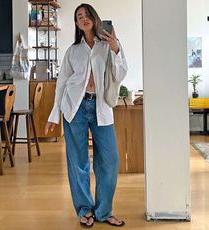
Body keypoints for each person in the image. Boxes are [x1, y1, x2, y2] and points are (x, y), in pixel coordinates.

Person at [45, 3, 127, 228]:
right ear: (77, 23)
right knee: (78, 161)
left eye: (86, 14)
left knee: (110, 160)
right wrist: (54, 114)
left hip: (101, 108)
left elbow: (119, 74)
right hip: (75, 108)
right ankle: (85, 209)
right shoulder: (73, 51)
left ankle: (104, 211)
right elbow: (62, 82)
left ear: (94, 18)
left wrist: (115, 48)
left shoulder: (108, 45)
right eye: (79, 16)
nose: (83, 18)